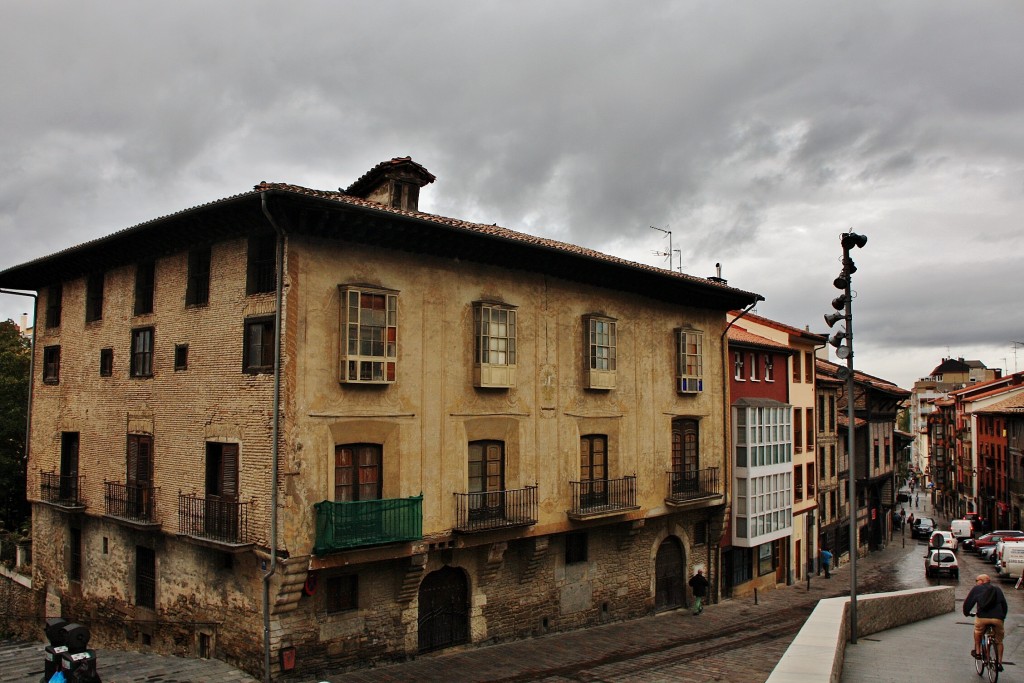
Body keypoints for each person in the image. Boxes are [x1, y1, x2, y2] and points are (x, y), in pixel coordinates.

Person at [963, 573, 1008, 672]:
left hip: (983, 617)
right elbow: (1004, 604)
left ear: (982, 581)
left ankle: (978, 652)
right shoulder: (998, 589)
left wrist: (967, 613)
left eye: (977, 580)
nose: (976, 582)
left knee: (978, 631)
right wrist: (1002, 617)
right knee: (999, 641)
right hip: (998, 618)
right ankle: (999, 663)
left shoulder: (977, 589)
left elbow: (968, 603)